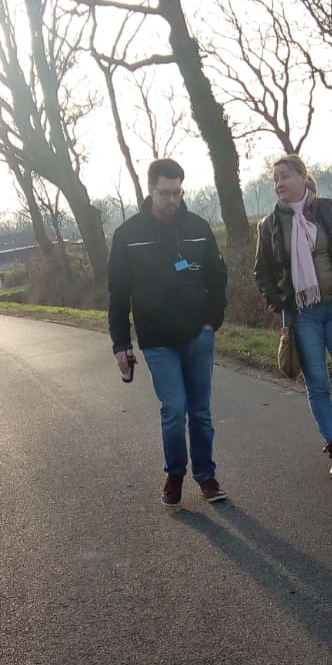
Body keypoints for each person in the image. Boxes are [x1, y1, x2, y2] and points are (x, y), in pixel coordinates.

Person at [108, 157, 230, 507]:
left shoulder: (198, 227)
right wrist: (121, 343)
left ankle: (206, 476)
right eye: (165, 193)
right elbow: (118, 293)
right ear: (151, 190)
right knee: (175, 408)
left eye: (178, 192)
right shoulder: (128, 235)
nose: (172, 200)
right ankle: (175, 474)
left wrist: (212, 320)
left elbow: (217, 276)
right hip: (156, 338)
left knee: (200, 411)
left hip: (198, 334)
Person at [253, 153, 332, 479]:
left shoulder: (330, 209)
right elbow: (262, 272)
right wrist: (280, 303)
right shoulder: (270, 225)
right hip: (304, 317)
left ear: (303, 176)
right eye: (275, 179)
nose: (279, 184)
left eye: (285, 176)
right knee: (317, 383)